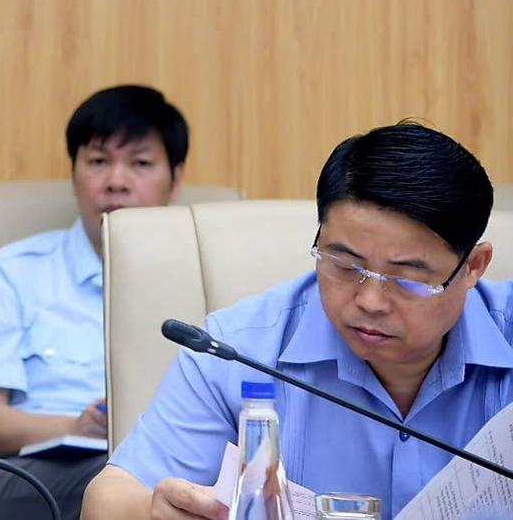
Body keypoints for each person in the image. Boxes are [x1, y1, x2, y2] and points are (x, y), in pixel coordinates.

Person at [83, 121, 508, 520]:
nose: (370, 301)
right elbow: (107, 500)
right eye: (345, 265)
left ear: (473, 266)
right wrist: (154, 510)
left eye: (406, 278)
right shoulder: (237, 350)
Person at [0, 85, 189, 519]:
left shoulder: (198, 277)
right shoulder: (10, 273)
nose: (116, 181)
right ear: (73, 174)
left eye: (141, 163)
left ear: (176, 179)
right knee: (126, 484)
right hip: (33, 470)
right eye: (98, 161)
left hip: (169, 460)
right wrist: (75, 427)